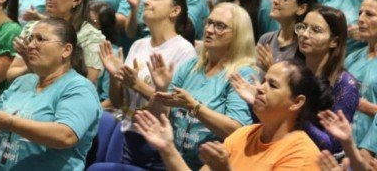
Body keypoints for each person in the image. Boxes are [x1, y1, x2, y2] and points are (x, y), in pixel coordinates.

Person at [0, 17, 102, 170]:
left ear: (66, 50)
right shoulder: (22, 82)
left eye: (40, 39)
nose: (30, 45)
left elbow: (66, 136)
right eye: (30, 39)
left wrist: (11, 122)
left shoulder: (79, 88)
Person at [136, 60, 329, 170]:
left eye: (272, 85)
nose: (260, 88)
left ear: (297, 102)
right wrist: (167, 148)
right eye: (263, 81)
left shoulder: (302, 155)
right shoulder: (243, 134)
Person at [147, 3, 257, 169]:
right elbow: (157, 117)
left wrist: (193, 106)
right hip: (168, 162)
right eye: (209, 23)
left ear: (238, 35)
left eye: (220, 26)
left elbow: (237, 130)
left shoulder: (242, 74)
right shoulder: (191, 65)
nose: (210, 30)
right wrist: (161, 89)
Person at [99, 0, 197, 170]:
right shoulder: (138, 45)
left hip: (158, 145)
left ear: (175, 11)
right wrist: (114, 76)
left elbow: (172, 110)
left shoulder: (184, 50)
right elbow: (118, 102)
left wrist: (137, 85)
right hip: (129, 138)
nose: (146, 1)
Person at [283, 6, 357, 152]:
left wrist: (297, 115)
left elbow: (333, 145)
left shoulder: (345, 84)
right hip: (284, 148)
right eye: (303, 27)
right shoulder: (292, 70)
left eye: (315, 30)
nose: (304, 34)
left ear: (334, 42)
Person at [8, 0, 104, 83]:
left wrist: (33, 65)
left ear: (77, 0)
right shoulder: (32, 29)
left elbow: (86, 83)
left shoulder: (90, 37)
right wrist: (29, 66)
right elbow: (11, 76)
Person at [256, 0, 317, 71]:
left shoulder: (305, 46)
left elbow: (303, 84)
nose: (275, 0)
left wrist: (272, 68)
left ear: (301, 8)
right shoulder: (266, 39)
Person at [344, 0, 377, 147]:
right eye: (360, 13)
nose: (361, 19)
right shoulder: (351, 58)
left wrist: (366, 107)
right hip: (346, 147)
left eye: (369, 14)